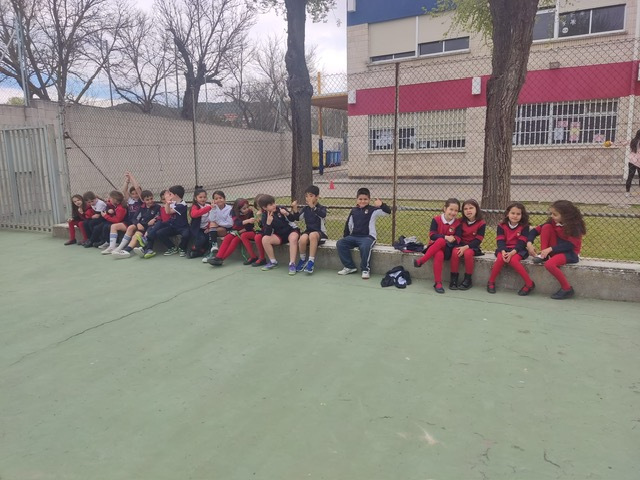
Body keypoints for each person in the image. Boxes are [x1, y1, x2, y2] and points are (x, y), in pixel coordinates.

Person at [527, 200, 586, 300]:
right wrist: (529, 243)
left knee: (549, 265)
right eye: (551, 213)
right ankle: (544, 256)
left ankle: (567, 289)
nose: (552, 216)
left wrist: (550, 249)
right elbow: (535, 231)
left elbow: (570, 245)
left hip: (570, 253)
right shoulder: (553, 222)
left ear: (565, 215)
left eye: (555, 214)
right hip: (556, 249)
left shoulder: (575, 226)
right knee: (546, 227)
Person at [336, 188, 391, 280]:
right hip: (354, 236)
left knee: (365, 247)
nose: (363, 201)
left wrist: (381, 204)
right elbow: (348, 224)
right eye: (360, 199)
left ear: (369, 200)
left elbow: (388, 212)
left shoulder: (373, 210)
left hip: (368, 237)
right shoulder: (354, 210)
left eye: (365, 199)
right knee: (340, 243)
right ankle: (349, 267)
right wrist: (346, 237)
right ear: (357, 199)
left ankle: (365, 270)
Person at [413, 198, 462, 294]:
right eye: (451, 209)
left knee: (441, 241)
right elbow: (432, 235)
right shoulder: (436, 219)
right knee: (439, 252)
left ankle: (421, 261)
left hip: (448, 249)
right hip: (434, 248)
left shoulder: (457, 223)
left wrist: (453, 238)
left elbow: (458, 237)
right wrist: (446, 237)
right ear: (445, 209)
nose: (453, 212)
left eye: (456, 210)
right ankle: (438, 283)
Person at [487, 202, 534, 296]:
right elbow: (500, 240)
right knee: (500, 259)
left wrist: (512, 253)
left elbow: (521, 243)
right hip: (504, 248)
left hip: (518, 250)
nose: (515, 216)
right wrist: (503, 251)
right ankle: (491, 282)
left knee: (513, 260)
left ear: (522, 215)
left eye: (518, 214)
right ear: (507, 213)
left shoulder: (524, 226)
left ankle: (529, 284)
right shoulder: (501, 226)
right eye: (513, 213)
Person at [208, 198, 264, 266]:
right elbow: (237, 223)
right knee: (228, 237)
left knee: (235, 240)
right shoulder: (234, 212)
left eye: (247, 207)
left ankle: (222, 259)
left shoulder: (250, 212)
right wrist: (247, 221)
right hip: (236, 230)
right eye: (244, 208)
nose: (247, 209)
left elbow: (249, 227)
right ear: (238, 209)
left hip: (245, 231)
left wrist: (239, 232)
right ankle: (218, 257)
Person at [101, 172, 143, 254]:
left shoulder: (141, 200)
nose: (135, 195)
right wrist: (127, 180)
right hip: (129, 221)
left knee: (130, 228)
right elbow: (124, 190)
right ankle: (112, 247)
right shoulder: (130, 200)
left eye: (136, 193)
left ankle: (120, 248)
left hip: (138, 222)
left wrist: (131, 177)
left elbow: (137, 188)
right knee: (114, 226)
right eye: (133, 194)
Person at [142, 185, 189, 258]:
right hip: (173, 225)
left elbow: (169, 212)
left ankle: (182, 248)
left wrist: (168, 202)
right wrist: (167, 202)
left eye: (170, 194)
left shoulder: (182, 205)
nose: (169, 195)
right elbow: (167, 211)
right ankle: (172, 247)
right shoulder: (173, 202)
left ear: (175, 195)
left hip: (182, 227)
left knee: (186, 235)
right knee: (159, 232)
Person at [290, 185, 328, 274]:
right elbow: (298, 218)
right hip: (309, 232)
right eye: (306, 196)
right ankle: (303, 260)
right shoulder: (305, 209)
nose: (308, 198)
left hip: (320, 234)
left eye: (311, 196)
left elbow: (323, 214)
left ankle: (311, 261)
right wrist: (295, 209)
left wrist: (313, 207)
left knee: (312, 235)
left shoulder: (321, 208)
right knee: (302, 238)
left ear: (317, 197)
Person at [258, 194, 300, 274]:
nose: (274, 205)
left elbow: (293, 219)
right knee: (265, 239)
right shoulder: (265, 216)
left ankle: (292, 264)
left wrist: (286, 213)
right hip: (279, 236)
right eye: (271, 205)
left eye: (274, 203)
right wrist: (268, 223)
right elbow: (267, 233)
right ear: (264, 208)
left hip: (291, 231)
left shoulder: (281, 209)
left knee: (293, 238)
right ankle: (273, 262)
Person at [449, 199, 485, 291]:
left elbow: (478, 240)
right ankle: (454, 279)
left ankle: (468, 279)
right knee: (455, 252)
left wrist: (466, 247)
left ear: (476, 209)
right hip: (460, 244)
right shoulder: (460, 221)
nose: (468, 211)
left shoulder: (481, 223)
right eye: (465, 209)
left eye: (471, 208)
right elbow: (457, 235)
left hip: (472, 246)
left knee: (468, 253)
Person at [112, 191, 161, 259]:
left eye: (151, 198)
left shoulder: (157, 207)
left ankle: (144, 249)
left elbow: (159, 216)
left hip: (151, 227)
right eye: (147, 200)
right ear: (143, 200)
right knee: (135, 236)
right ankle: (126, 251)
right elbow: (134, 218)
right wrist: (138, 224)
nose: (150, 201)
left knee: (147, 234)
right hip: (142, 227)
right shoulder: (141, 207)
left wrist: (154, 219)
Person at [187, 188, 212, 259]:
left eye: (204, 197)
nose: (203, 199)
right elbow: (194, 214)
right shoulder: (195, 206)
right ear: (195, 198)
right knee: (201, 239)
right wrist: (208, 208)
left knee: (209, 239)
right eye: (200, 197)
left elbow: (212, 218)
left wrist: (209, 227)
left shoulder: (208, 205)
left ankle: (202, 251)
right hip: (197, 229)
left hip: (206, 228)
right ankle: (192, 249)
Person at [626, 129, 640, 197]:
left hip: (631, 161)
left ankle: (627, 192)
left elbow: (623, 143)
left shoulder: (632, 141)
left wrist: (611, 143)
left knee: (630, 176)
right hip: (639, 161)